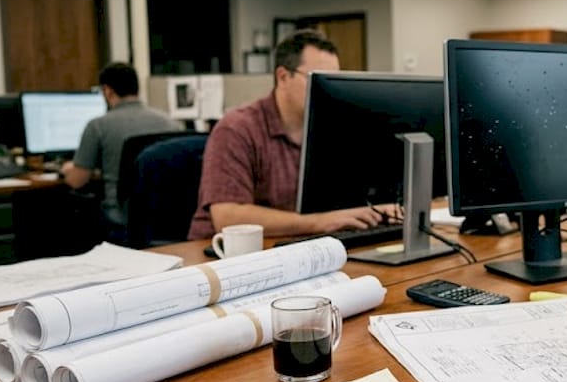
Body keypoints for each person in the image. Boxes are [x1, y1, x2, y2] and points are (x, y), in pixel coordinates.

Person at [188, 29, 385, 239]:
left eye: (334, 80)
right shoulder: (237, 128)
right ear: (283, 77)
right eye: (318, 79)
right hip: (223, 257)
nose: (329, 89)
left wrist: (379, 210)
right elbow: (228, 218)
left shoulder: (333, 130)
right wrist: (321, 222)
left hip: (299, 247)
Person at [62, 62, 182, 233]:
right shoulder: (170, 122)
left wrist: (68, 168)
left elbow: (77, 181)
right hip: (167, 213)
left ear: (108, 91)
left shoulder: (98, 126)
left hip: (121, 215)